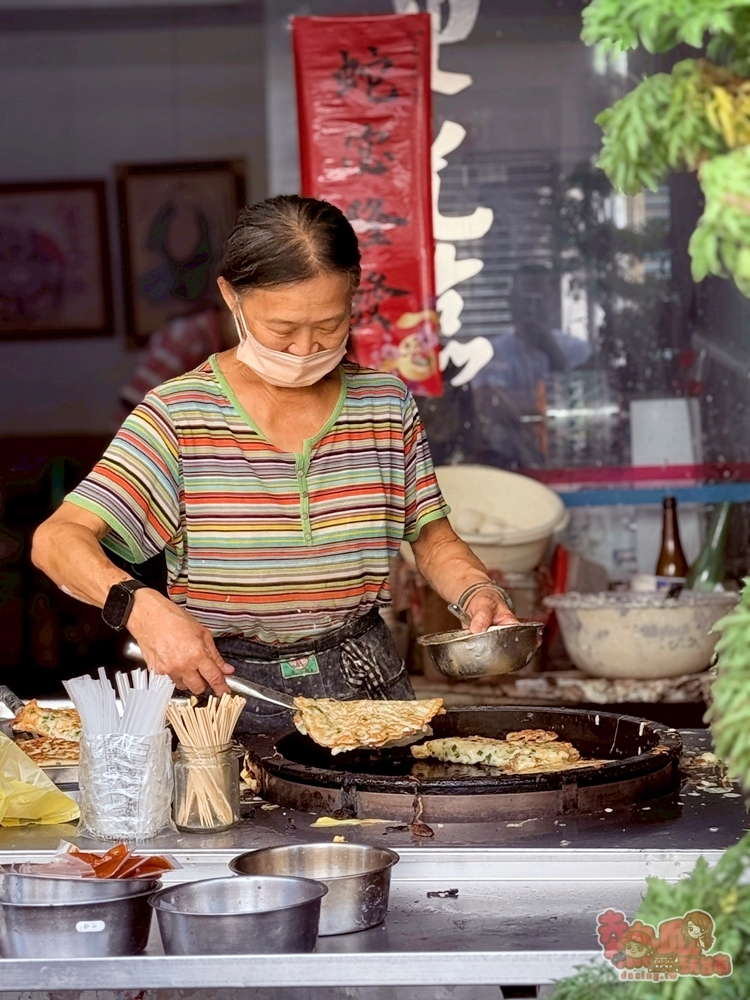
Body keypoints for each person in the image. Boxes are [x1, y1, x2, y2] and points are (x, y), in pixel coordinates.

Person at [32, 195, 517, 732]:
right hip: (224, 688)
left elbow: (433, 540)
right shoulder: (179, 415)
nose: (304, 348)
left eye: (330, 326)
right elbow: (57, 541)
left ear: (354, 292)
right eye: (282, 329)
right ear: (231, 297)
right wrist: (140, 607)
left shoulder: (384, 403)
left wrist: (478, 592)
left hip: (367, 684)